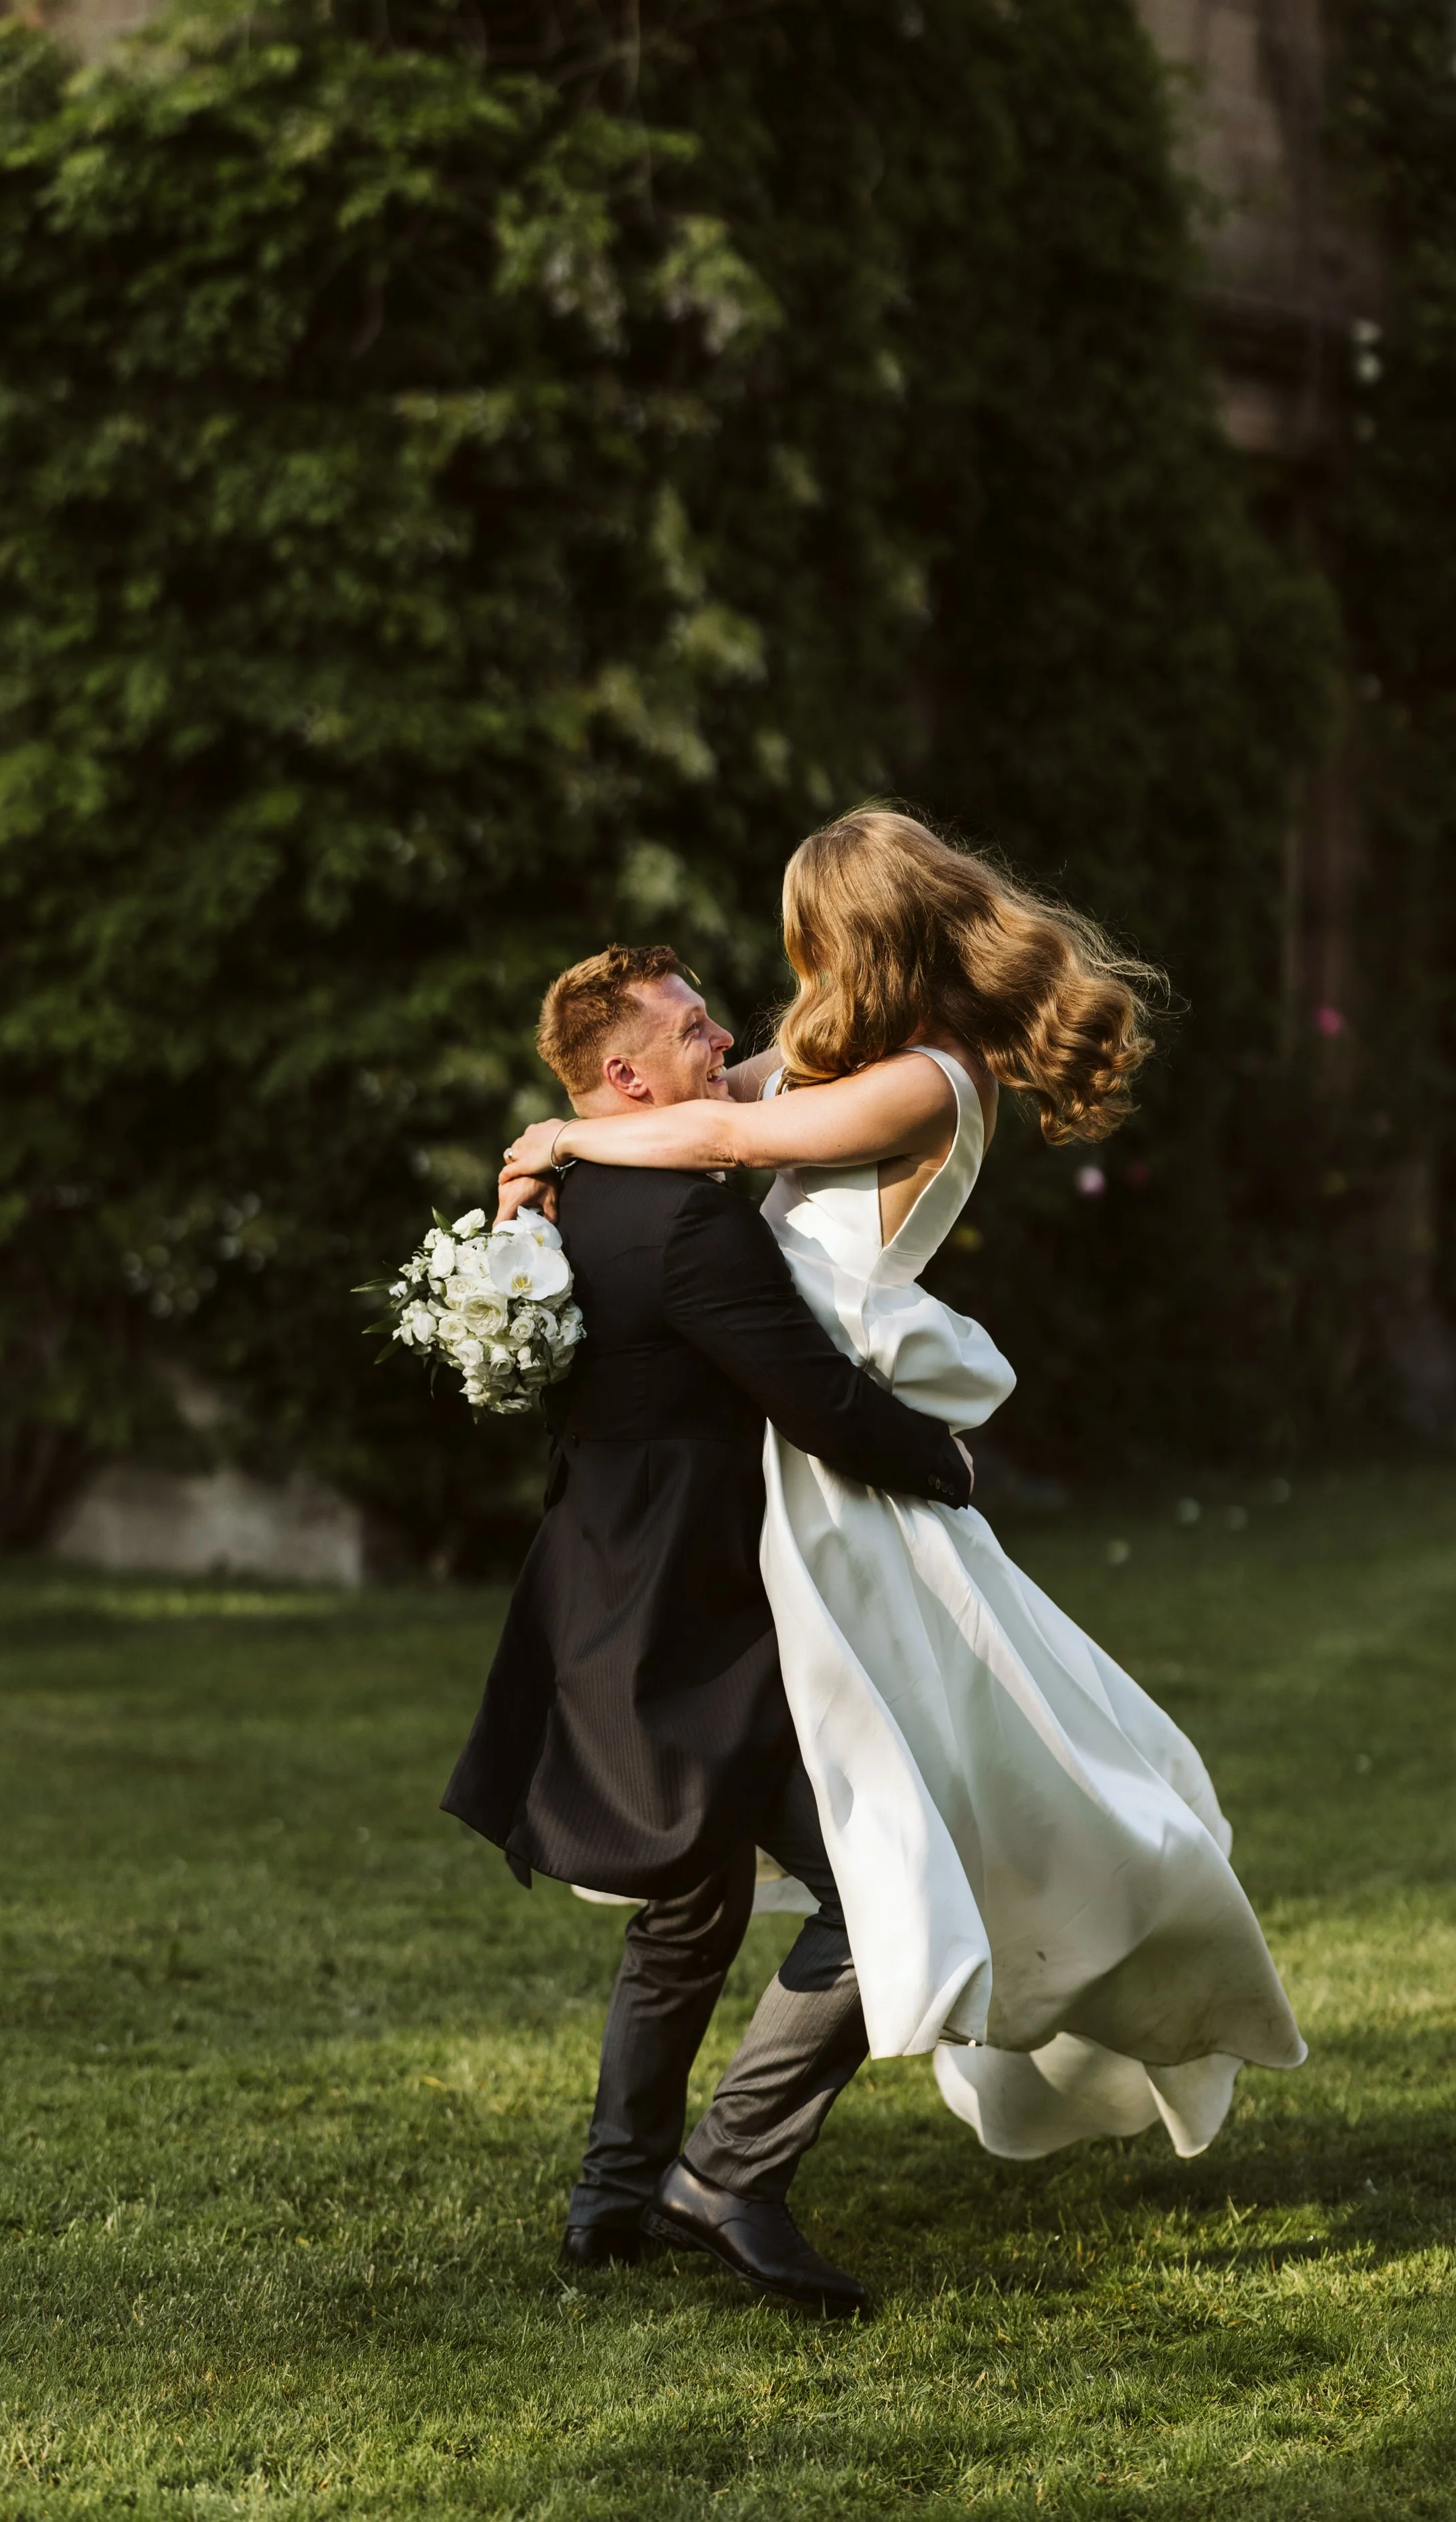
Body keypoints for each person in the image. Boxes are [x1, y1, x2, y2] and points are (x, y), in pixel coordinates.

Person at [500, 811, 1305, 2168]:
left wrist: (554, 1139)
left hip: (836, 1455)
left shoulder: (927, 1080)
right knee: (804, 1808)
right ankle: (666, 2173)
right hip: (785, 1451)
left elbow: (712, 1139)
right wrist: (564, 1158)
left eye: (806, 941)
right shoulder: (838, 1057)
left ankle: (712, 2157)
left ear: (852, 939)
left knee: (926, 1799)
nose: (786, 974)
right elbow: (702, 1103)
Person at [443, 943, 974, 2319]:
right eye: (689, 1032)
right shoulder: (684, 1220)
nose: (719, 1040)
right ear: (624, 1076)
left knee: (689, 1907)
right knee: (882, 1888)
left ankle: (609, 2208)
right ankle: (723, 2174)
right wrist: (949, 1463)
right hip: (692, 1626)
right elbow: (812, 1398)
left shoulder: (559, 1203)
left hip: (614, 1604)